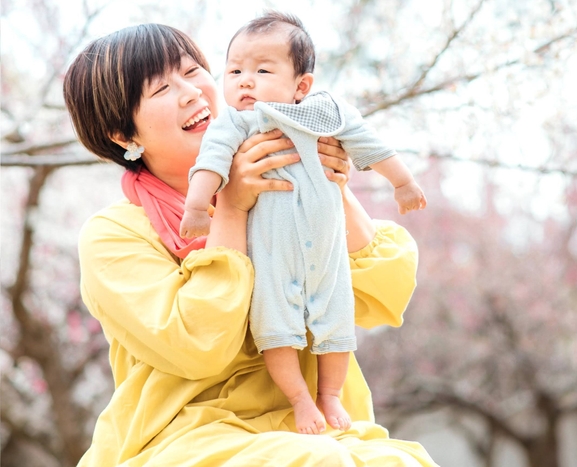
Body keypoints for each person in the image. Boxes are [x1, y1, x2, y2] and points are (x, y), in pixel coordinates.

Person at [63, 22, 437, 467]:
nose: (191, 92)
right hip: (188, 436)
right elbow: (199, 345)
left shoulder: (283, 180)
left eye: (193, 70)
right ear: (125, 136)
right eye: (161, 89)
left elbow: (385, 294)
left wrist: (327, 185)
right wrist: (232, 209)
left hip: (317, 425)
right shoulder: (114, 235)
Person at [178, 11, 426, 436]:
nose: (244, 81)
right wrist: (199, 206)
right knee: (276, 331)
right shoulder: (235, 124)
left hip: (327, 255)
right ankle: (299, 399)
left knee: (337, 326)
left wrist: (402, 182)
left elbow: (370, 142)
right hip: (273, 261)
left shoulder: (324, 113)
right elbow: (210, 164)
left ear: (302, 86)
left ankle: (329, 394)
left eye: (261, 70)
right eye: (234, 70)